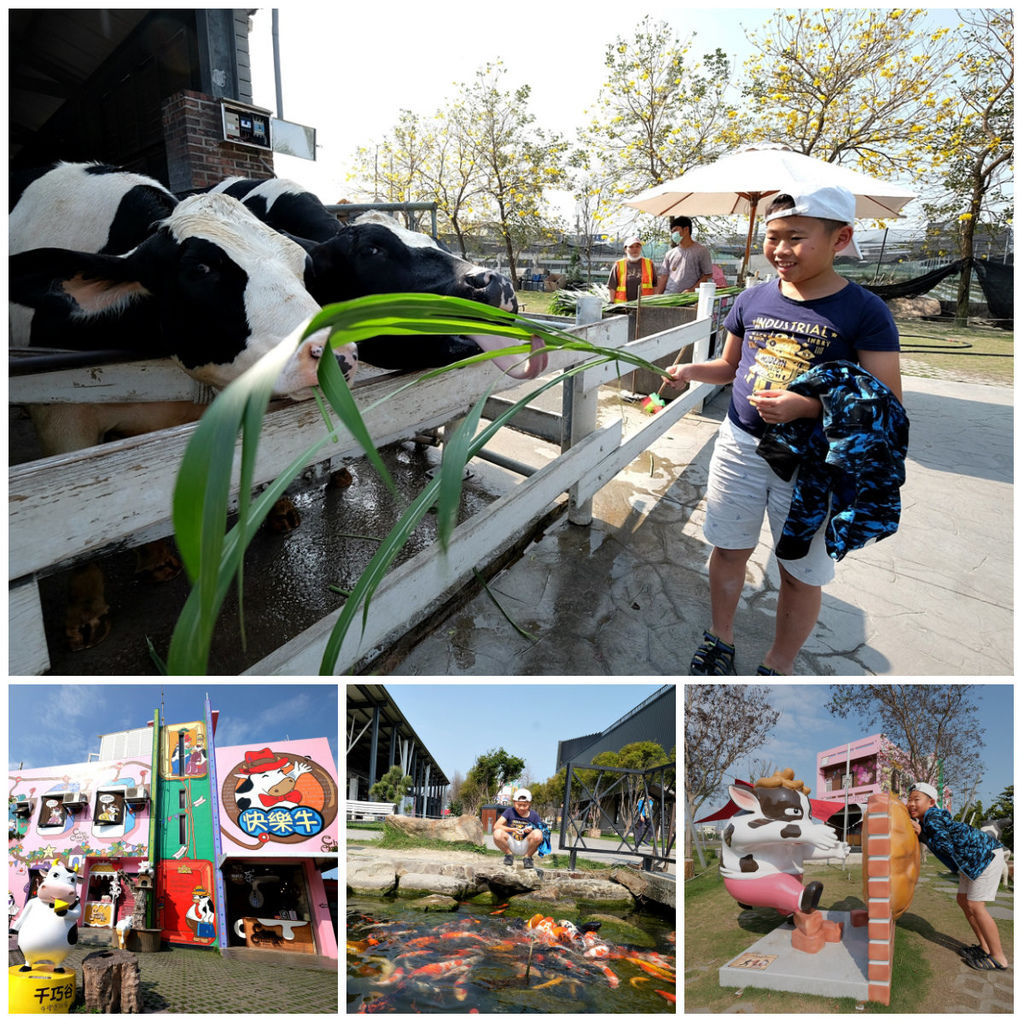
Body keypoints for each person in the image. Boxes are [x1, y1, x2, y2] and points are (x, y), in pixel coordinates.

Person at [663, 184, 902, 675]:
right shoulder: (752, 298)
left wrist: (808, 407)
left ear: (840, 239)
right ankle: (720, 637)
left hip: (811, 464)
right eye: (772, 237)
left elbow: (887, 404)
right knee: (728, 549)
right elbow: (730, 367)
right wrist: (691, 371)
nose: (779, 249)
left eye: (795, 237)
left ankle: (778, 663)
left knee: (799, 569)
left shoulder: (865, 311)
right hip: (740, 446)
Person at [906, 783, 1008, 971]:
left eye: (916, 799)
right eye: (909, 799)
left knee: (976, 906)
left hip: (985, 856)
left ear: (931, 802)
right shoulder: (927, 819)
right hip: (971, 862)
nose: (911, 803)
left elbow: (945, 847)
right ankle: (984, 947)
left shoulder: (932, 817)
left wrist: (923, 836)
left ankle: (999, 957)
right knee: (963, 900)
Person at [655, 216, 713, 294]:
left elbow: (707, 276)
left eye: (675, 230)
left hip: (688, 299)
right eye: (672, 232)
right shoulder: (670, 254)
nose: (673, 234)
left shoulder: (701, 251)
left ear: (686, 229)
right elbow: (663, 277)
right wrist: (657, 296)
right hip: (668, 296)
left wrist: (692, 290)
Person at [492, 788, 544, 869]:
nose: (521, 808)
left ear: (529, 804)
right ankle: (509, 855)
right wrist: (513, 830)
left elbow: (541, 830)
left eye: (525, 805)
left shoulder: (534, 815)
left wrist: (531, 830)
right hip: (511, 842)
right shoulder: (509, 811)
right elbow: (496, 826)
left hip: (526, 844)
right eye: (519, 805)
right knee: (497, 833)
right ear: (514, 802)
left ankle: (528, 857)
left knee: (538, 834)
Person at [607, 236, 658, 302]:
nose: (635, 249)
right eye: (631, 247)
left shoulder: (649, 263)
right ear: (625, 249)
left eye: (637, 246)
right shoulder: (618, 264)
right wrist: (611, 302)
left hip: (644, 305)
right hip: (623, 307)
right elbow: (612, 286)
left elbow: (655, 284)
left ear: (641, 248)